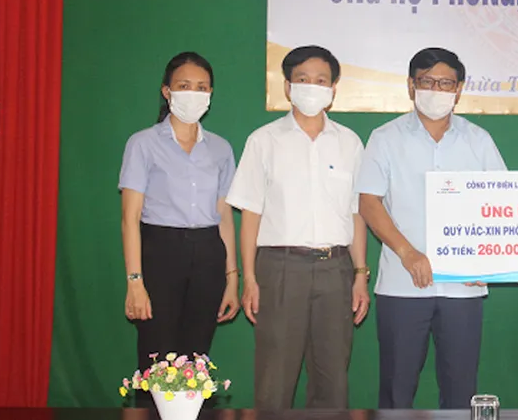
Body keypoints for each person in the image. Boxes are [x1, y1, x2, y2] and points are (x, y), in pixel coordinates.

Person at [357, 47, 506, 409]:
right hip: (402, 283)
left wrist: (487, 260)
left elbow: (502, 202)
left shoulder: (479, 140)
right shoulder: (385, 137)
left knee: (461, 389)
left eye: (446, 83)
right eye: (427, 81)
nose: (436, 90)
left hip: (464, 287)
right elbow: (369, 202)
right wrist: (407, 252)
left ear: (459, 89)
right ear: (411, 86)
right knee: (397, 387)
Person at [225, 45, 369, 409]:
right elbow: (251, 214)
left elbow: (356, 213)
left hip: (336, 268)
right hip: (280, 268)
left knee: (332, 378)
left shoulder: (349, 143)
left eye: (321, 80)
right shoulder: (264, 141)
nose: (312, 87)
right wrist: (249, 279)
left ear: (333, 88)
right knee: (275, 377)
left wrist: (360, 275)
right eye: (303, 79)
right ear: (288, 87)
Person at [119, 52, 239, 375]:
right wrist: (135, 282)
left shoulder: (221, 148)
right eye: (184, 86)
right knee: (156, 360)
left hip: (209, 255)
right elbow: (130, 219)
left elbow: (224, 216)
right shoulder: (143, 144)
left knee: (195, 361)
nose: (193, 93)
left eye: (202, 87)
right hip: (160, 252)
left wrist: (232, 278)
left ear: (210, 94)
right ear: (167, 91)